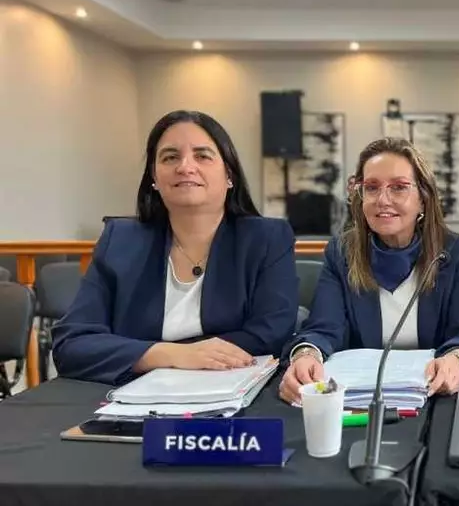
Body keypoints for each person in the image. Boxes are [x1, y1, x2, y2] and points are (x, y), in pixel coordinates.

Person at [52, 110, 299, 385]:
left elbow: (271, 334)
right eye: (170, 157)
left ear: (229, 174)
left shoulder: (266, 238)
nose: (185, 167)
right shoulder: (119, 240)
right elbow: (71, 343)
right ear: (154, 178)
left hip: (231, 386)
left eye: (202, 156)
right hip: (131, 391)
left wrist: (191, 357)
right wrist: (170, 354)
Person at [279, 138, 459, 405]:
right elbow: (323, 328)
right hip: (360, 401)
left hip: (435, 397)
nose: (382, 200)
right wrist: (305, 355)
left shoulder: (455, 252)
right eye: (371, 187)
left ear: (423, 199)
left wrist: (457, 358)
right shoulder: (341, 253)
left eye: (399, 187)